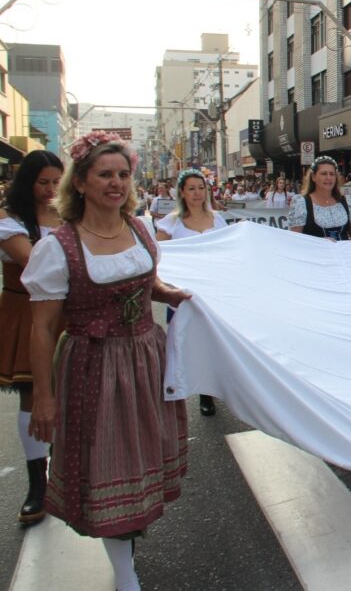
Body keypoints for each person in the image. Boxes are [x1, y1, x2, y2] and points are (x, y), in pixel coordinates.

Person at [23, 132, 190, 590]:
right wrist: (43, 395)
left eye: (122, 174)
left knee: (137, 462)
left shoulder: (137, 227)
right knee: (108, 465)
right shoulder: (59, 246)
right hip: (93, 366)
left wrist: (166, 292)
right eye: (104, 175)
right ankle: (123, 575)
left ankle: (126, 555)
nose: (116, 183)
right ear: (80, 182)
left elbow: (143, 281)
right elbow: (42, 327)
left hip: (145, 360)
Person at [0, 150, 63, 524]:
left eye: (57, 182)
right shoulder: (10, 221)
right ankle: (36, 483)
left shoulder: (72, 215)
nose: (51, 190)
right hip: (26, 311)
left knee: (72, 391)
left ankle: (65, 474)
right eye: (43, 183)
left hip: (68, 312)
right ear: (29, 183)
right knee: (33, 395)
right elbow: (37, 263)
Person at [155, 169, 228, 417]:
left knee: (213, 341)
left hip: (214, 288)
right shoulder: (170, 223)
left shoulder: (218, 219)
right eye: (192, 189)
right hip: (183, 292)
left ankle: (212, 390)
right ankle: (188, 390)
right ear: (182, 193)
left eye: (201, 188)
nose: (197, 193)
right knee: (186, 342)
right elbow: (160, 258)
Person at [288, 156, 351, 241]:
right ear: (313, 177)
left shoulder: (345, 201)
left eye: (332, 174)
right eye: (324, 174)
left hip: (343, 253)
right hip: (314, 253)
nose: (328, 178)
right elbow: (294, 239)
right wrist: (318, 242)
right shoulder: (302, 203)